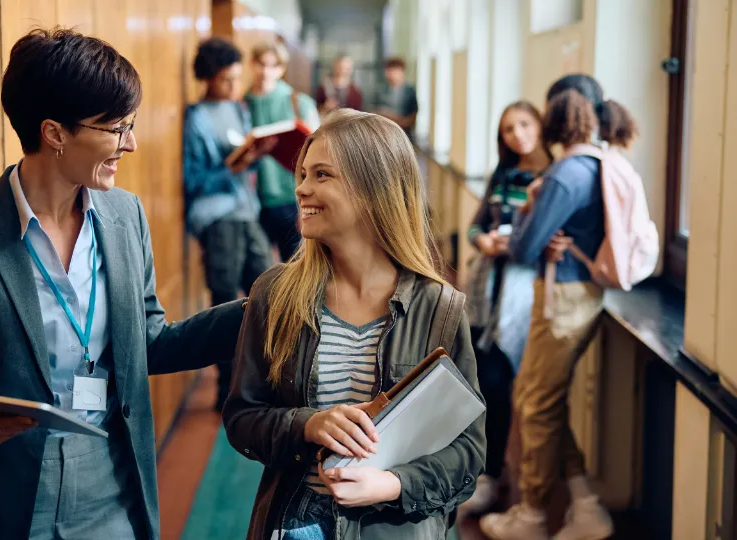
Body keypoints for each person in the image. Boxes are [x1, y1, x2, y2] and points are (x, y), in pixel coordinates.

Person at [0, 28, 246, 540]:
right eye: (117, 127)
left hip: (112, 478)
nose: (130, 143)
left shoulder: (125, 215)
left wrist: (263, 306)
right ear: (55, 133)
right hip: (5, 488)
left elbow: (150, 341)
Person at [223, 109, 486, 540]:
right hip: (296, 525)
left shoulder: (441, 308)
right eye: (303, 174)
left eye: (321, 175)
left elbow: (468, 452)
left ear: (373, 189)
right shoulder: (275, 294)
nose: (302, 188)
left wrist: (393, 484)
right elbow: (243, 417)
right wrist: (308, 424)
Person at [481, 74, 638, 540]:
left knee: (534, 404)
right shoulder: (596, 162)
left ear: (555, 115)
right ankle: (585, 505)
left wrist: (531, 205)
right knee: (541, 401)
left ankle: (531, 514)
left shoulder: (568, 172)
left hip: (563, 298)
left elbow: (526, 248)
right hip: (577, 294)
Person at [459, 101, 552, 516]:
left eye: (524, 124)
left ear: (540, 125)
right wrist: (482, 241)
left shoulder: (554, 177)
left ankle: (521, 486)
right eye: (508, 130)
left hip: (528, 295)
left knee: (527, 393)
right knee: (487, 384)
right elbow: (476, 224)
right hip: (488, 292)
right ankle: (488, 475)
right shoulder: (503, 174)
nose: (517, 135)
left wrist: (513, 245)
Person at [183, 37, 274, 409]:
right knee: (224, 301)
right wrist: (230, 168)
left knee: (268, 293)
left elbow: (242, 158)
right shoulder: (197, 118)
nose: (235, 88)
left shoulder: (238, 110)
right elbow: (193, 181)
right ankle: (227, 391)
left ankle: (263, 382)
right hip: (218, 217)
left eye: (237, 79)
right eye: (226, 80)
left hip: (245, 210)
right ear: (208, 78)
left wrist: (256, 154)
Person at [245, 41, 321, 262]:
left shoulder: (298, 102)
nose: (265, 72)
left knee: (294, 267)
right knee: (257, 272)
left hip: (291, 197)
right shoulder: (242, 102)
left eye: (273, 66)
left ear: (281, 69)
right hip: (252, 200)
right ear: (251, 64)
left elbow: (319, 157)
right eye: (261, 64)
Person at [372, 57, 419, 139]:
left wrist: (400, 121)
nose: (389, 73)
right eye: (388, 70)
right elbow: (373, 111)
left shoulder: (410, 91)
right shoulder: (380, 90)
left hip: (404, 133)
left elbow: (413, 115)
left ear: (401, 71)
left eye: (393, 70)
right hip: (384, 132)